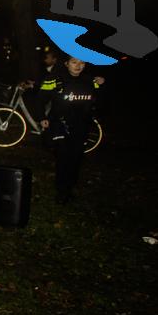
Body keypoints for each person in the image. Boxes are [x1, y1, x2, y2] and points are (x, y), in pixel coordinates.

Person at [38, 56, 103, 204]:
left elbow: (100, 99)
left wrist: (102, 84)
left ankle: (70, 187)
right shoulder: (55, 79)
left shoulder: (90, 81)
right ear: (66, 63)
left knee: (76, 158)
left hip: (81, 126)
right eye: (74, 62)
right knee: (63, 157)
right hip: (60, 125)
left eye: (82, 63)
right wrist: (42, 117)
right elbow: (41, 99)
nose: (78, 66)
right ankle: (61, 192)